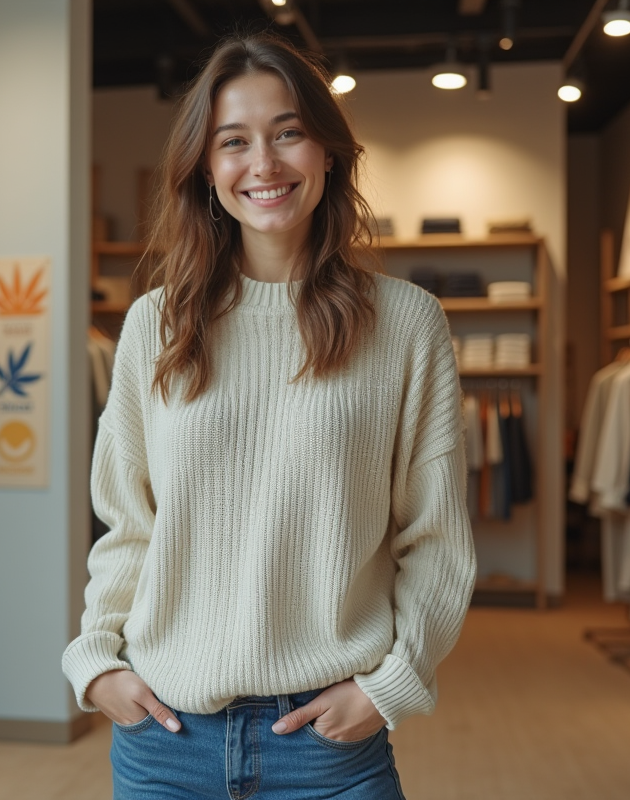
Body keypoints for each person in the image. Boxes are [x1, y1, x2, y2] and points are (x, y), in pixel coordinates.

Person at [62, 30, 476, 799]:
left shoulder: (407, 324)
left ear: (328, 152)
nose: (264, 164)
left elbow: (437, 538)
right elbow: (129, 525)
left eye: (288, 133)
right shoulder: (156, 324)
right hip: (165, 743)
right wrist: (96, 660)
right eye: (234, 141)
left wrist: (390, 685)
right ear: (205, 168)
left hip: (326, 749)